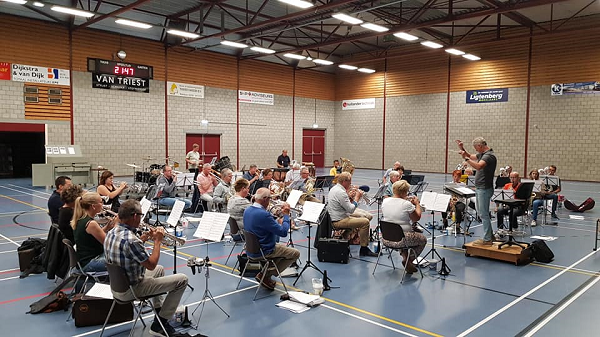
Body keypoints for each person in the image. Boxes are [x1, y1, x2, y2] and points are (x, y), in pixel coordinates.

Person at [104, 199, 188, 337]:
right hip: (132, 289)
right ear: (135, 216)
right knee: (182, 280)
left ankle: (159, 314)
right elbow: (151, 264)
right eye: (141, 215)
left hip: (117, 287)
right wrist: (157, 241)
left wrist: (142, 239)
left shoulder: (112, 232)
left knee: (160, 270)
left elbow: (127, 250)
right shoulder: (132, 240)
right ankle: (159, 325)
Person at [243, 188, 300, 290]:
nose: (270, 201)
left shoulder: (248, 210)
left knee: (282, 250)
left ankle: (267, 272)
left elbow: (264, 224)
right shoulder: (263, 215)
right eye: (269, 199)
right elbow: (283, 232)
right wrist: (286, 216)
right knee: (295, 253)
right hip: (265, 250)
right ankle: (266, 275)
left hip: (251, 249)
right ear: (264, 199)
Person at [457, 137, 497, 246]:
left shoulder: (488, 156)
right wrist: (462, 148)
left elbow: (478, 166)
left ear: (480, 146)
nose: (475, 151)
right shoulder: (484, 154)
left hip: (484, 188)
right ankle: (490, 235)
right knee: (481, 213)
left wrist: (466, 160)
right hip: (481, 188)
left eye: (476, 148)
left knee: (483, 214)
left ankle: (487, 239)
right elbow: (470, 156)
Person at [327, 172, 377, 257]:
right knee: (365, 222)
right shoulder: (341, 192)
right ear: (344, 182)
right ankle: (364, 249)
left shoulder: (335, 188)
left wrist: (350, 196)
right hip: (339, 220)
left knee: (363, 216)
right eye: (349, 182)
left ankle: (346, 239)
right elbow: (350, 209)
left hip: (338, 216)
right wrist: (357, 198)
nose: (350, 184)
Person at [381, 180, 426, 274]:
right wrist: (417, 204)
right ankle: (409, 260)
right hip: (401, 239)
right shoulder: (406, 204)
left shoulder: (385, 201)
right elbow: (416, 218)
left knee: (403, 235)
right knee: (422, 239)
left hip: (386, 238)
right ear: (404, 192)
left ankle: (405, 257)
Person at [71, 192, 116, 272]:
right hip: (90, 262)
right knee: (122, 261)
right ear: (93, 206)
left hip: (83, 260)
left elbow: (90, 237)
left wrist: (107, 227)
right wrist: (118, 225)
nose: (102, 204)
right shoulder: (91, 223)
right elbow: (109, 244)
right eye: (101, 202)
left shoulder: (81, 219)